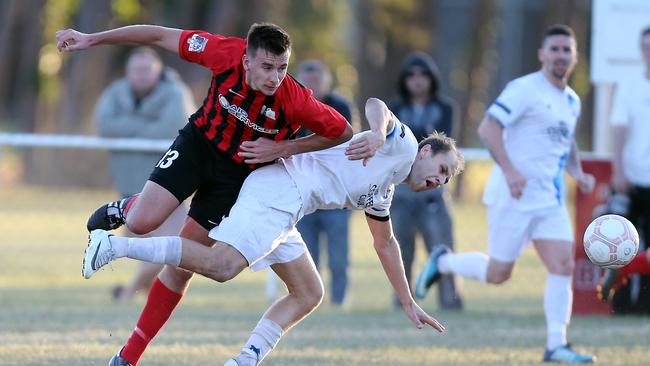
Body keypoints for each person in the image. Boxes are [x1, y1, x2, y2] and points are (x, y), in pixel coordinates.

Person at [56, 22, 355, 366]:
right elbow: (157, 36)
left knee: (182, 265)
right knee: (140, 222)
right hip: (198, 146)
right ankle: (130, 206)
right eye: (267, 67)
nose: (275, 77)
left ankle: (127, 357)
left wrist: (284, 146)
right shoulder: (222, 52)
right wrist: (92, 38)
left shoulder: (295, 99)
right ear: (246, 60)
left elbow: (343, 132)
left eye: (282, 67)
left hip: (236, 178)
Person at [83, 97, 459, 366]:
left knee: (309, 291)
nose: (440, 181)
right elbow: (379, 105)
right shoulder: (404, 147)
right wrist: (378, 131)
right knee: (221, 266)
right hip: (283, 190)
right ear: (426, 152)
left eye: (447, 180)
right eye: (442, 169)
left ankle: (245, 360)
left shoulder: (385, 191)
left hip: (288, 205)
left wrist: (408, 302)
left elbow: (385, 243)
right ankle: (113, 248)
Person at [415, 24, 596, 363]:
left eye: (566, 50)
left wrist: (578, 173)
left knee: (562, 265)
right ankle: (444, 261)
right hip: (513, 195)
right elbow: (488, 128)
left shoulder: (572, 100)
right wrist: (511, 172)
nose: (560, 55)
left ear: (574, 57)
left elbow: (566, 140)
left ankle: (557, 344)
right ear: (542, 54)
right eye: (554, 49)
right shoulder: (524, 89)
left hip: (549, 199)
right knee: (499, 274)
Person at [95, 46, 194, 301]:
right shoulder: (115, 93)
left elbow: (170, 129)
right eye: (136, 70)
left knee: (174, 245)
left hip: (168, 184)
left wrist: (128, 127)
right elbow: (106, 127)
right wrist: (147, 124)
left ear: (158, 70)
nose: (141, 75)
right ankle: (144, 293)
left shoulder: (175, 93)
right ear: (128, 72)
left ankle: (130, 293)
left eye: (146, 69)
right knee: (143, 248)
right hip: (128, 184)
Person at [389, 51, 462, 310]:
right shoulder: (395, 107)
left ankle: (450, 300)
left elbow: (441, 145)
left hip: (434, 192)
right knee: (400, 248)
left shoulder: (445, 107)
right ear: (404, 80)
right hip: (402, 192)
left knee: (441, 247)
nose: (417, 80)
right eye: (411, 75)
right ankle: (402, 301)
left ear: (431, 77)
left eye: (423, 75)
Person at [597, 26, 650, 312]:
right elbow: (618, 129)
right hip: (633, 178)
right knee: (623, 245)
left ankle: (644, 307)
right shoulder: (629, 86)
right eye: (646, 46)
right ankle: (620, 304)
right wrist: (618, 171)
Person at [294, 60, 354, 306]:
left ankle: (339, 301)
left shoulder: (340, 106)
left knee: (339, 256)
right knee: (307, 254)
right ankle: (308, 300)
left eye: (317, 80)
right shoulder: (291, 104)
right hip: (304, 192)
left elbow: (347, 143)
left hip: (336, 192)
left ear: (327, 83)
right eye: (306, 81)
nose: (311, 85)